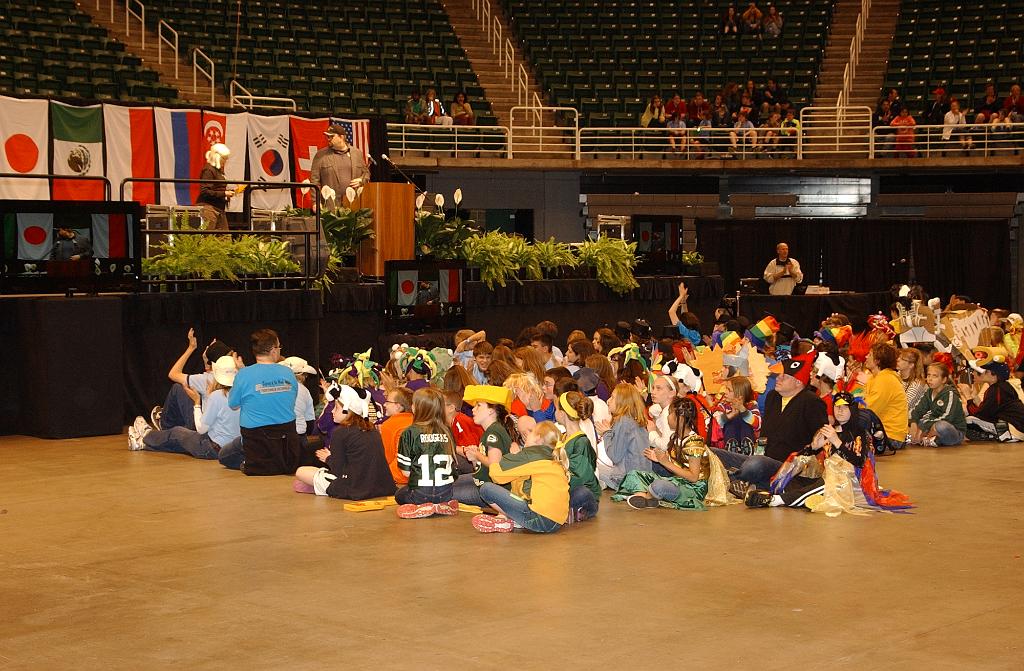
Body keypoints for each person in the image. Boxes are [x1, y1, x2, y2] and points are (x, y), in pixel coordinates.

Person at [713, 353, 827, 492]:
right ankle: (745, 481)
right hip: (764, 458)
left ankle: (738, 481)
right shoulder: (773, 397)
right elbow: (764, 434)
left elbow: (821, 441)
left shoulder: (812, 402)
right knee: (713, 453)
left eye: (783, 376)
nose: (778, 378)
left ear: (798, 381)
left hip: (789, 467)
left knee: (754, 464)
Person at [612, 397, 733, 510]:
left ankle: (646, 496)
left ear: (679, 418)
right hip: (677, 481)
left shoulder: (694, 443)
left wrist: (666, 463)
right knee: (634, 474)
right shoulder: (676, 437)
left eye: (670, 413)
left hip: (693, 489)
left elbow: (693, 477)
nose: (667, 417)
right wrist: (659, 459)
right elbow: (678, 464)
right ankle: (646, 496)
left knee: (660, 486)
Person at [223, 329, 305, 475]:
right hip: (286, 440)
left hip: (256, 440)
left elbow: (233, 404)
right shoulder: (288, 373)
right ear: (273, 350)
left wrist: (242, 373)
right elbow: (290, 400)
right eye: (279, 347)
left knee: (224, 455)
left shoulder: (244, 375)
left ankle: (249, 463)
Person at [293, 385, 395, 500]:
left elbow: (338, 470)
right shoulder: (372, 429)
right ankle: (318, 487)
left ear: (348, 410)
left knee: (301, 472)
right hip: (382, 485)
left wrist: (328, 458)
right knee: (308, 478)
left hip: (354, 487)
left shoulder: (340, 432)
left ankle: (320, 487)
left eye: (336, 408)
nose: (332, 411)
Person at [129, 355, 240, 460]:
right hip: (233, 448)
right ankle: (141, 443)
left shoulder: (217, 396)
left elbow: (202, 429)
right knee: (181, 442)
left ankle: (146, 436)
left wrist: (197, 403)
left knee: (177, 433)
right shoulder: (242, 394)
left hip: (211, 448)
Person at [470, 421, 570, 533]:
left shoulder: (529, 455)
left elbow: (496, 475)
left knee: (486, 489)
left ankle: (511, 518)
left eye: (531, 432)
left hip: (539, 519)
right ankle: (510, 519)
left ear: (537, 438)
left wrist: (497, 458)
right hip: (557, 521)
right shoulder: (553, 458)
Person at [394, 387, 460, 518]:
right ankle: (440, 505)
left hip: (420, 494)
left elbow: (406, 472)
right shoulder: (447, 430)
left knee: (399, 495)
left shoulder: (409, 432)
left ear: (416, 408)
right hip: (446, 493)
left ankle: (421, 506)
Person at [554, 391, 601, 522]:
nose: (554, 411)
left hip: (578, 490)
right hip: (564, 487)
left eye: (556, 408)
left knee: (582, 493)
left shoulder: (581, 442)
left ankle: (576, 509)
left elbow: (580, 477)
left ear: (562, 414)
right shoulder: (563, 437)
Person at [596, 382, 653, 489]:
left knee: (592, 468)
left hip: (628, 479)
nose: (608, 401)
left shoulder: (624, 421)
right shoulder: (634, 419)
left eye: (612, 397)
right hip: (642, 477)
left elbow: (615, 456)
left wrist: (606, 433)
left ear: (622, 402)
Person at [961, 348, 1024, 440]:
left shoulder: (996, 389)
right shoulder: (1003, 387)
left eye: (980, 372)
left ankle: (1005, 434)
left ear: (993, 375)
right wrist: (974, 398)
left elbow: (982, 414)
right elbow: (988, 409)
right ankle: (993, 435)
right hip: (1018, 426)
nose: (974, 373)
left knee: (969, 420)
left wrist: (968, 397)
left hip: (1015, 428)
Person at [309, 124, 369, 210]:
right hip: (330, 206)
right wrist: (316, 202)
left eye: (331, 137)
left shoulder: (357, 153)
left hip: (353, 205)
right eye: (327, 137)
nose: (328, 139)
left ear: (341, 137)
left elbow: (366, 173)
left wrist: (361, 180)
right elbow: (314, 181)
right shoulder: (321, 155)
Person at [910, 359, 966, 446]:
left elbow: (947, 417)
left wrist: (925, 426)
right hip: (932, 424)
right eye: (928, 375)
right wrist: (913, 423)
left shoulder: (950, 393)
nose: (930, 379)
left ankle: (927, 438)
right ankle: (930, 439)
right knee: (915, 421)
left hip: (953, 430)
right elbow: (917, 410)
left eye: (935, 376)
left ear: (944, 380)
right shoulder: (928, 392)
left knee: (941, 426)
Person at [864, 342, 909, 451]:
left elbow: (869, 411)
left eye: (869, 355)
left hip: (890, 437)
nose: (866, 356)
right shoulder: (874, 378)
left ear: (877, 360)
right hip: (882, 433)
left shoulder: (885, 379)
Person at [379, 386, 414, 485]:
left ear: (398, 406)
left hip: (397, 476)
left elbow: (386, 457)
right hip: (419, 475)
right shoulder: (418, 421)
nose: (384, 404)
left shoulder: (389, 425)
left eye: (388, 402)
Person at [196, 143, 233, 230]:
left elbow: (217, 189)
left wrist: (229, 193)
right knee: (208, 238)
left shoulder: (218, 171)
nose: (225, 161)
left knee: (224, 239)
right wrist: (224, 193)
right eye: (224, 158)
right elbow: (205, 191)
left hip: (219, 208)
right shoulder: (208, 170)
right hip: (209, 208)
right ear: (218, 157)